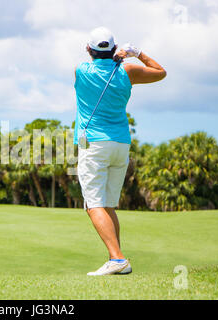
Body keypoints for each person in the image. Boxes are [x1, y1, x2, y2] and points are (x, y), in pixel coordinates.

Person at [74, 27, 166, 276]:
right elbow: (161, 72)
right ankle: (117, 259)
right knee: (108, 204)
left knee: (93, 204)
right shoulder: (127, 70)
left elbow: (93, 60)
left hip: (94, 144)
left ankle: (117, 259)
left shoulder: (81, 71)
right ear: (115, 49)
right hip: (121, 144)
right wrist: (136, 52)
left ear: (89, 50)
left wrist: (110, 54)